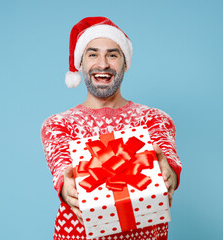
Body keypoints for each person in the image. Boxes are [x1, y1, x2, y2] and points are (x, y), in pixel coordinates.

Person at [41, 16, 182, 240]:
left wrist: (170, 174)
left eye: (112, 54)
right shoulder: (58, 125)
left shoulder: (154, 119)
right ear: (80, 64)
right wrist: (67, 188)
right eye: (93, 54)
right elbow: (61, 167)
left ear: (125, 63)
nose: (103, 63)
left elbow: (167, 157)